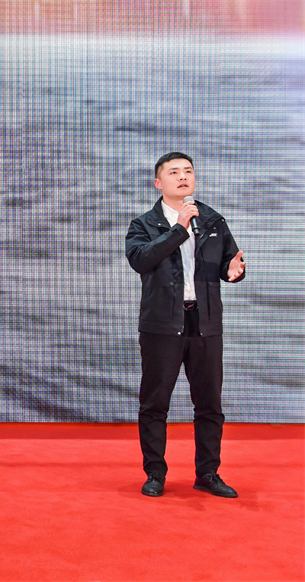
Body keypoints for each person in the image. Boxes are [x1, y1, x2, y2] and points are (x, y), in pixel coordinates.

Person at [126, 152, 246, 498]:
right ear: (158, 182)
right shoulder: (143, 225)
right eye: (174, 172)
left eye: (188, 171)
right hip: (162, 324)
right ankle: (155, 473)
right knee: (155, 403)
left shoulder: (213, 221)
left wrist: (234, 272)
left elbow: (229, 263)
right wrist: (179, 228)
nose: (183, 177)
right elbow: (141, 260)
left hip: (204, 323)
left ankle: (208, 473)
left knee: (209, 405)